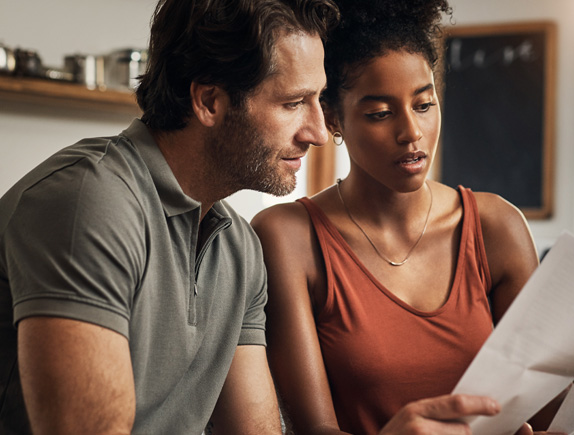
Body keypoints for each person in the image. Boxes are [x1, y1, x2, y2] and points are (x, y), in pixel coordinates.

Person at [251, 0, 574, 433]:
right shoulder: (289, 237)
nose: (411, 133)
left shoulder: (494, 225)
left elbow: (550, 416)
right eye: (380, 114)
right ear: (331, 118)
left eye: (424, 105)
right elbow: (316, 428)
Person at [0, 0, 339, 433]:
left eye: (318, 100)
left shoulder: (239, 248)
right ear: (210, 101)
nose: (318, 132)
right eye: (293, 103)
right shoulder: (89, 202)